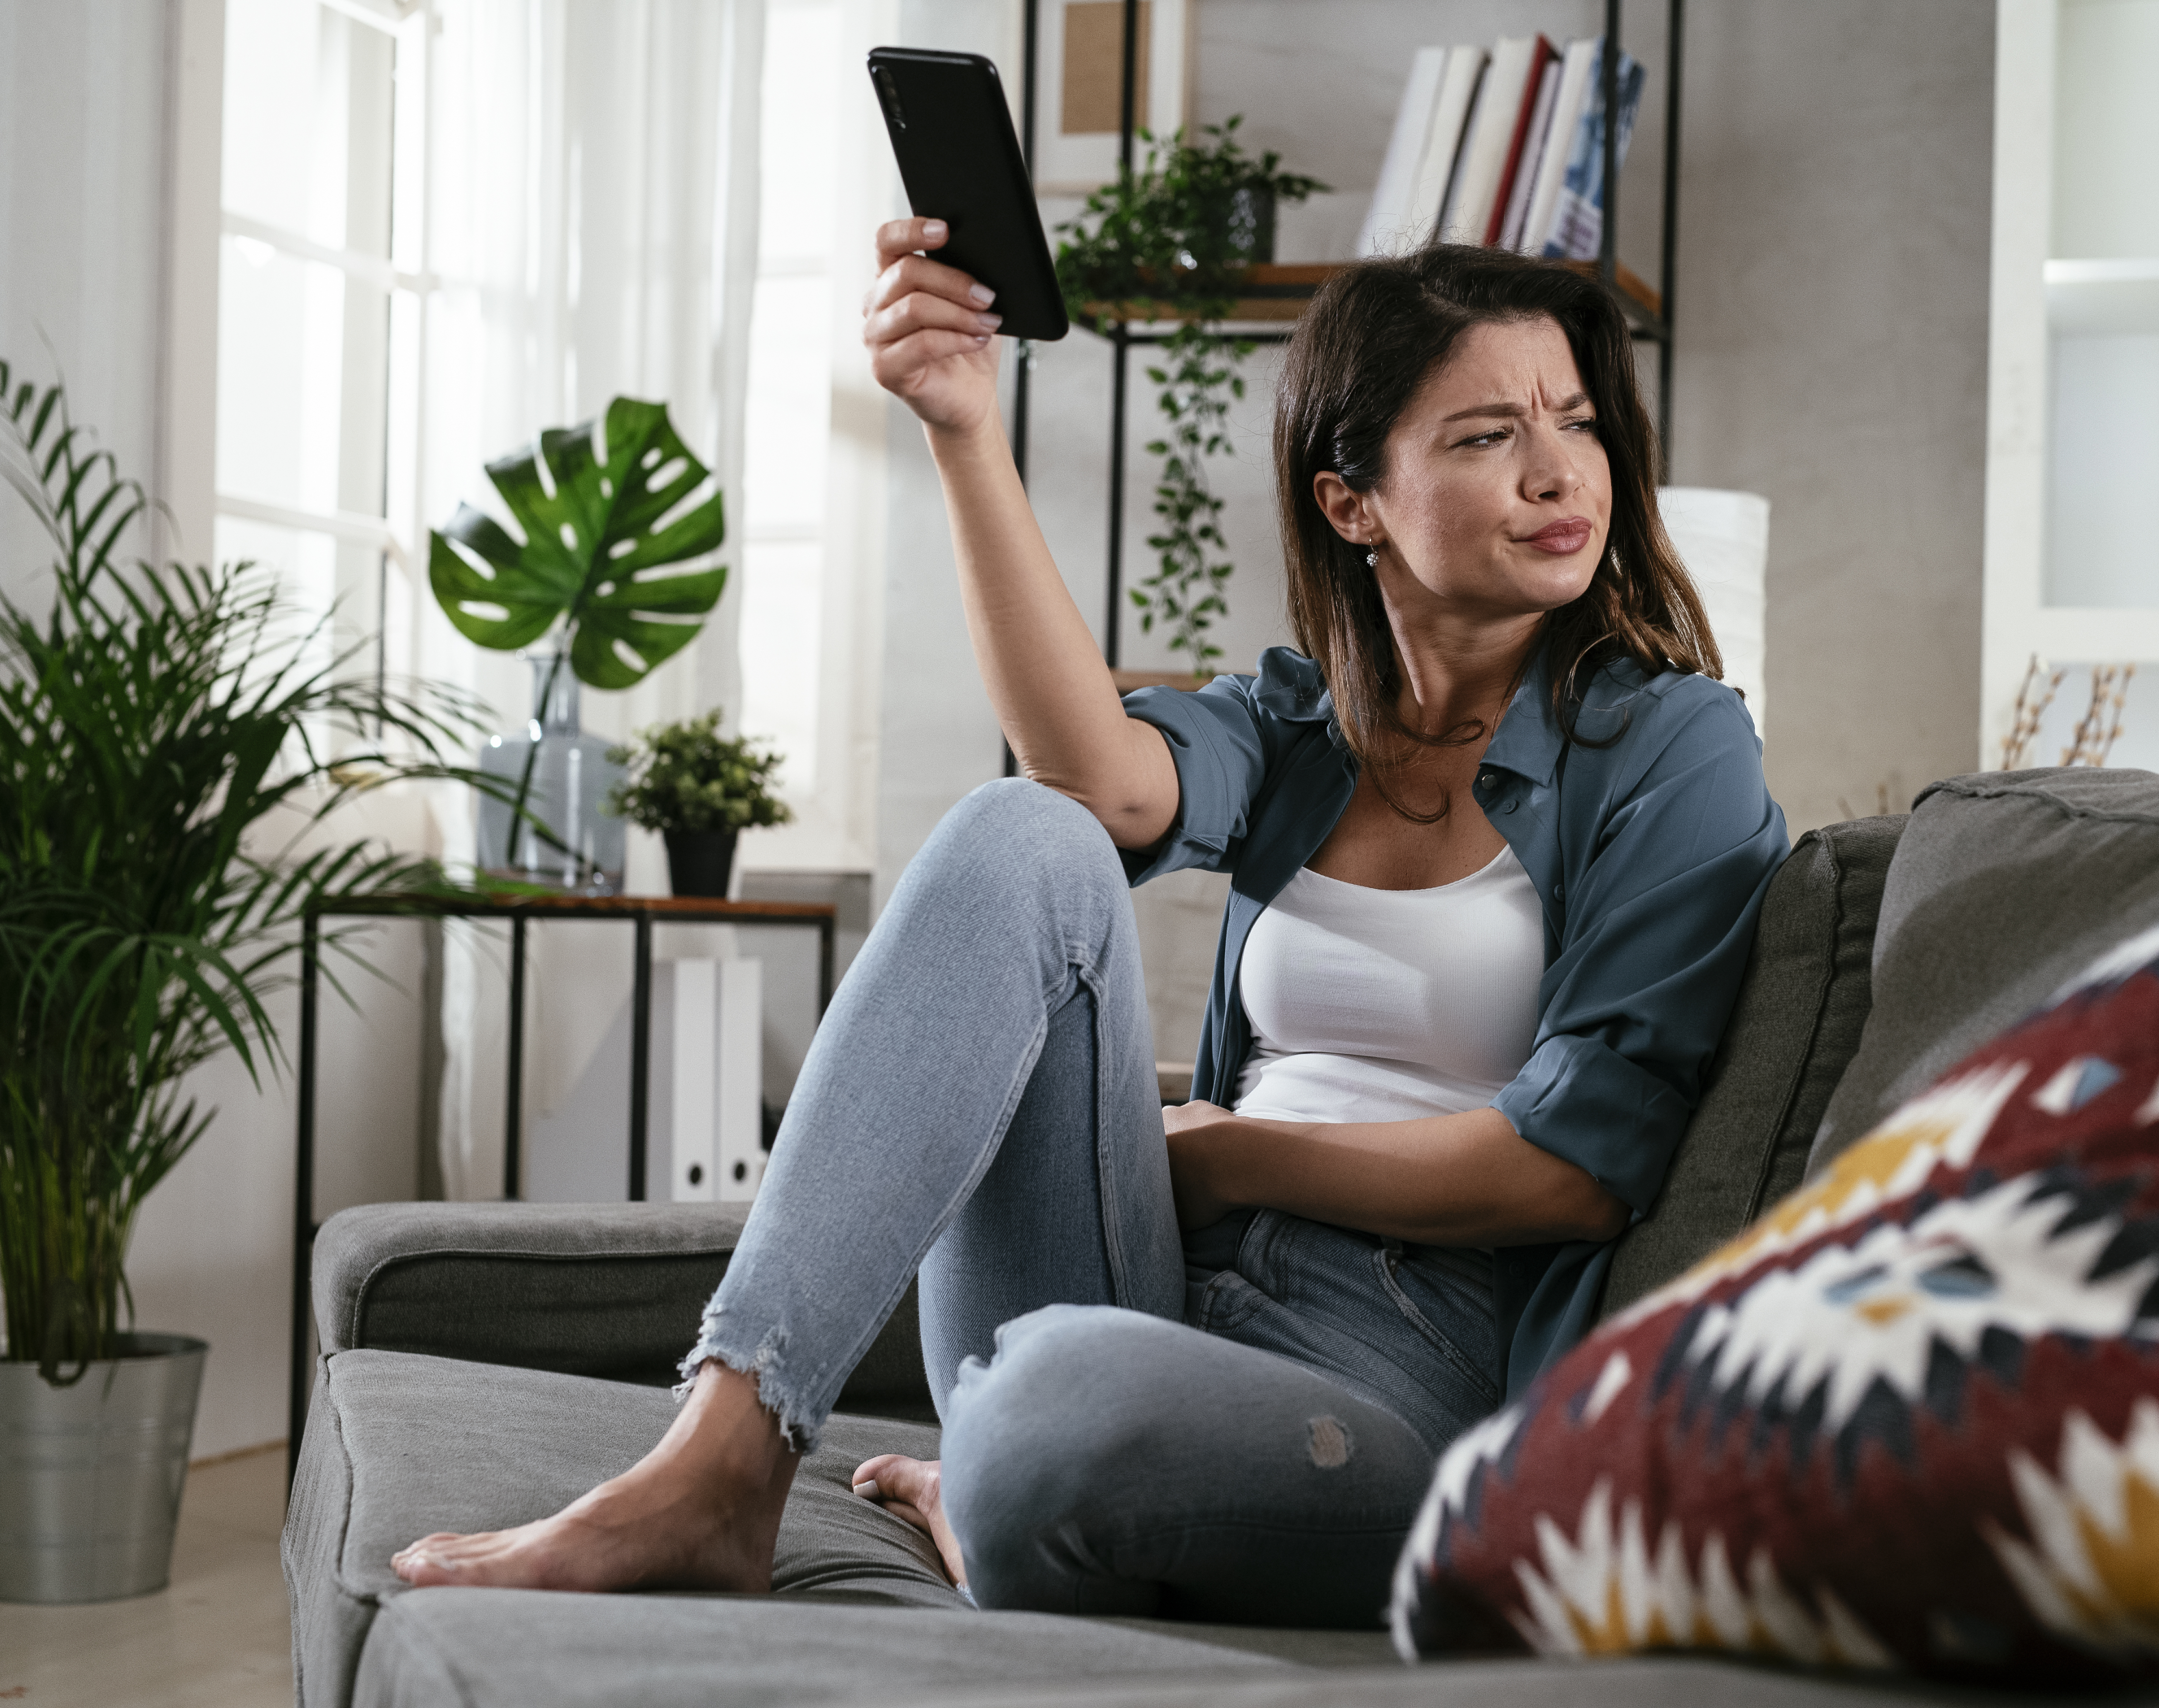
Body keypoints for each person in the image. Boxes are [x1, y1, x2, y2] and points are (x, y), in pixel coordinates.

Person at [391, 226, 1790, 1626]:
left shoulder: (1671, 748)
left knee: (1053, 1406)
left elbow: (1572, 1170)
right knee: (1024, 831)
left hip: (1409, 1365)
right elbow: (1095, 784)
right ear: (1352, 502)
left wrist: (1230, 1151)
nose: (1558, 474)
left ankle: (1006, 1484)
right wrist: (963, 434)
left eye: (1578, 424)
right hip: (1141, 1270)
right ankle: (723, 1457)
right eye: (1488, 435)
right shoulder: (1305, 724)